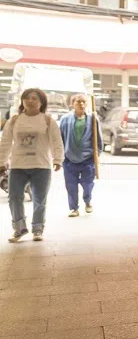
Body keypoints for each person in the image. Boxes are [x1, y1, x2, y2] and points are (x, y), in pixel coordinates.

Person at [0, 89, 64, 242]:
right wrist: (1, 161)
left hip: (41, 166)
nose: (30, 101)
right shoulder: (14, 120)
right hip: (17, 166)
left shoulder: (48, 120)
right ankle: (19, 228)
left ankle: (38, 228)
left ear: (41, 102)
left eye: (35, 98)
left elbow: (57, 141)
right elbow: (6, 142)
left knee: (39, 199)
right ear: (22, 101)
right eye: (27, 98)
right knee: (14, 197)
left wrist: (57, 159)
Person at [58, 94, 102, 217]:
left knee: (88, 184)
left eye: (84, 102)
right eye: (78, 102)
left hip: (87, 159)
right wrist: (59, 155)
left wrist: (97, 154)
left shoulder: (93, 119)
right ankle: (74, 208)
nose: (81, 104)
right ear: (73, 104)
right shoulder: (65, 119)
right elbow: (60, 138)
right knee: (71, 185)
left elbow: (98, 139)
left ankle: (87, 201)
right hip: (69, 159)